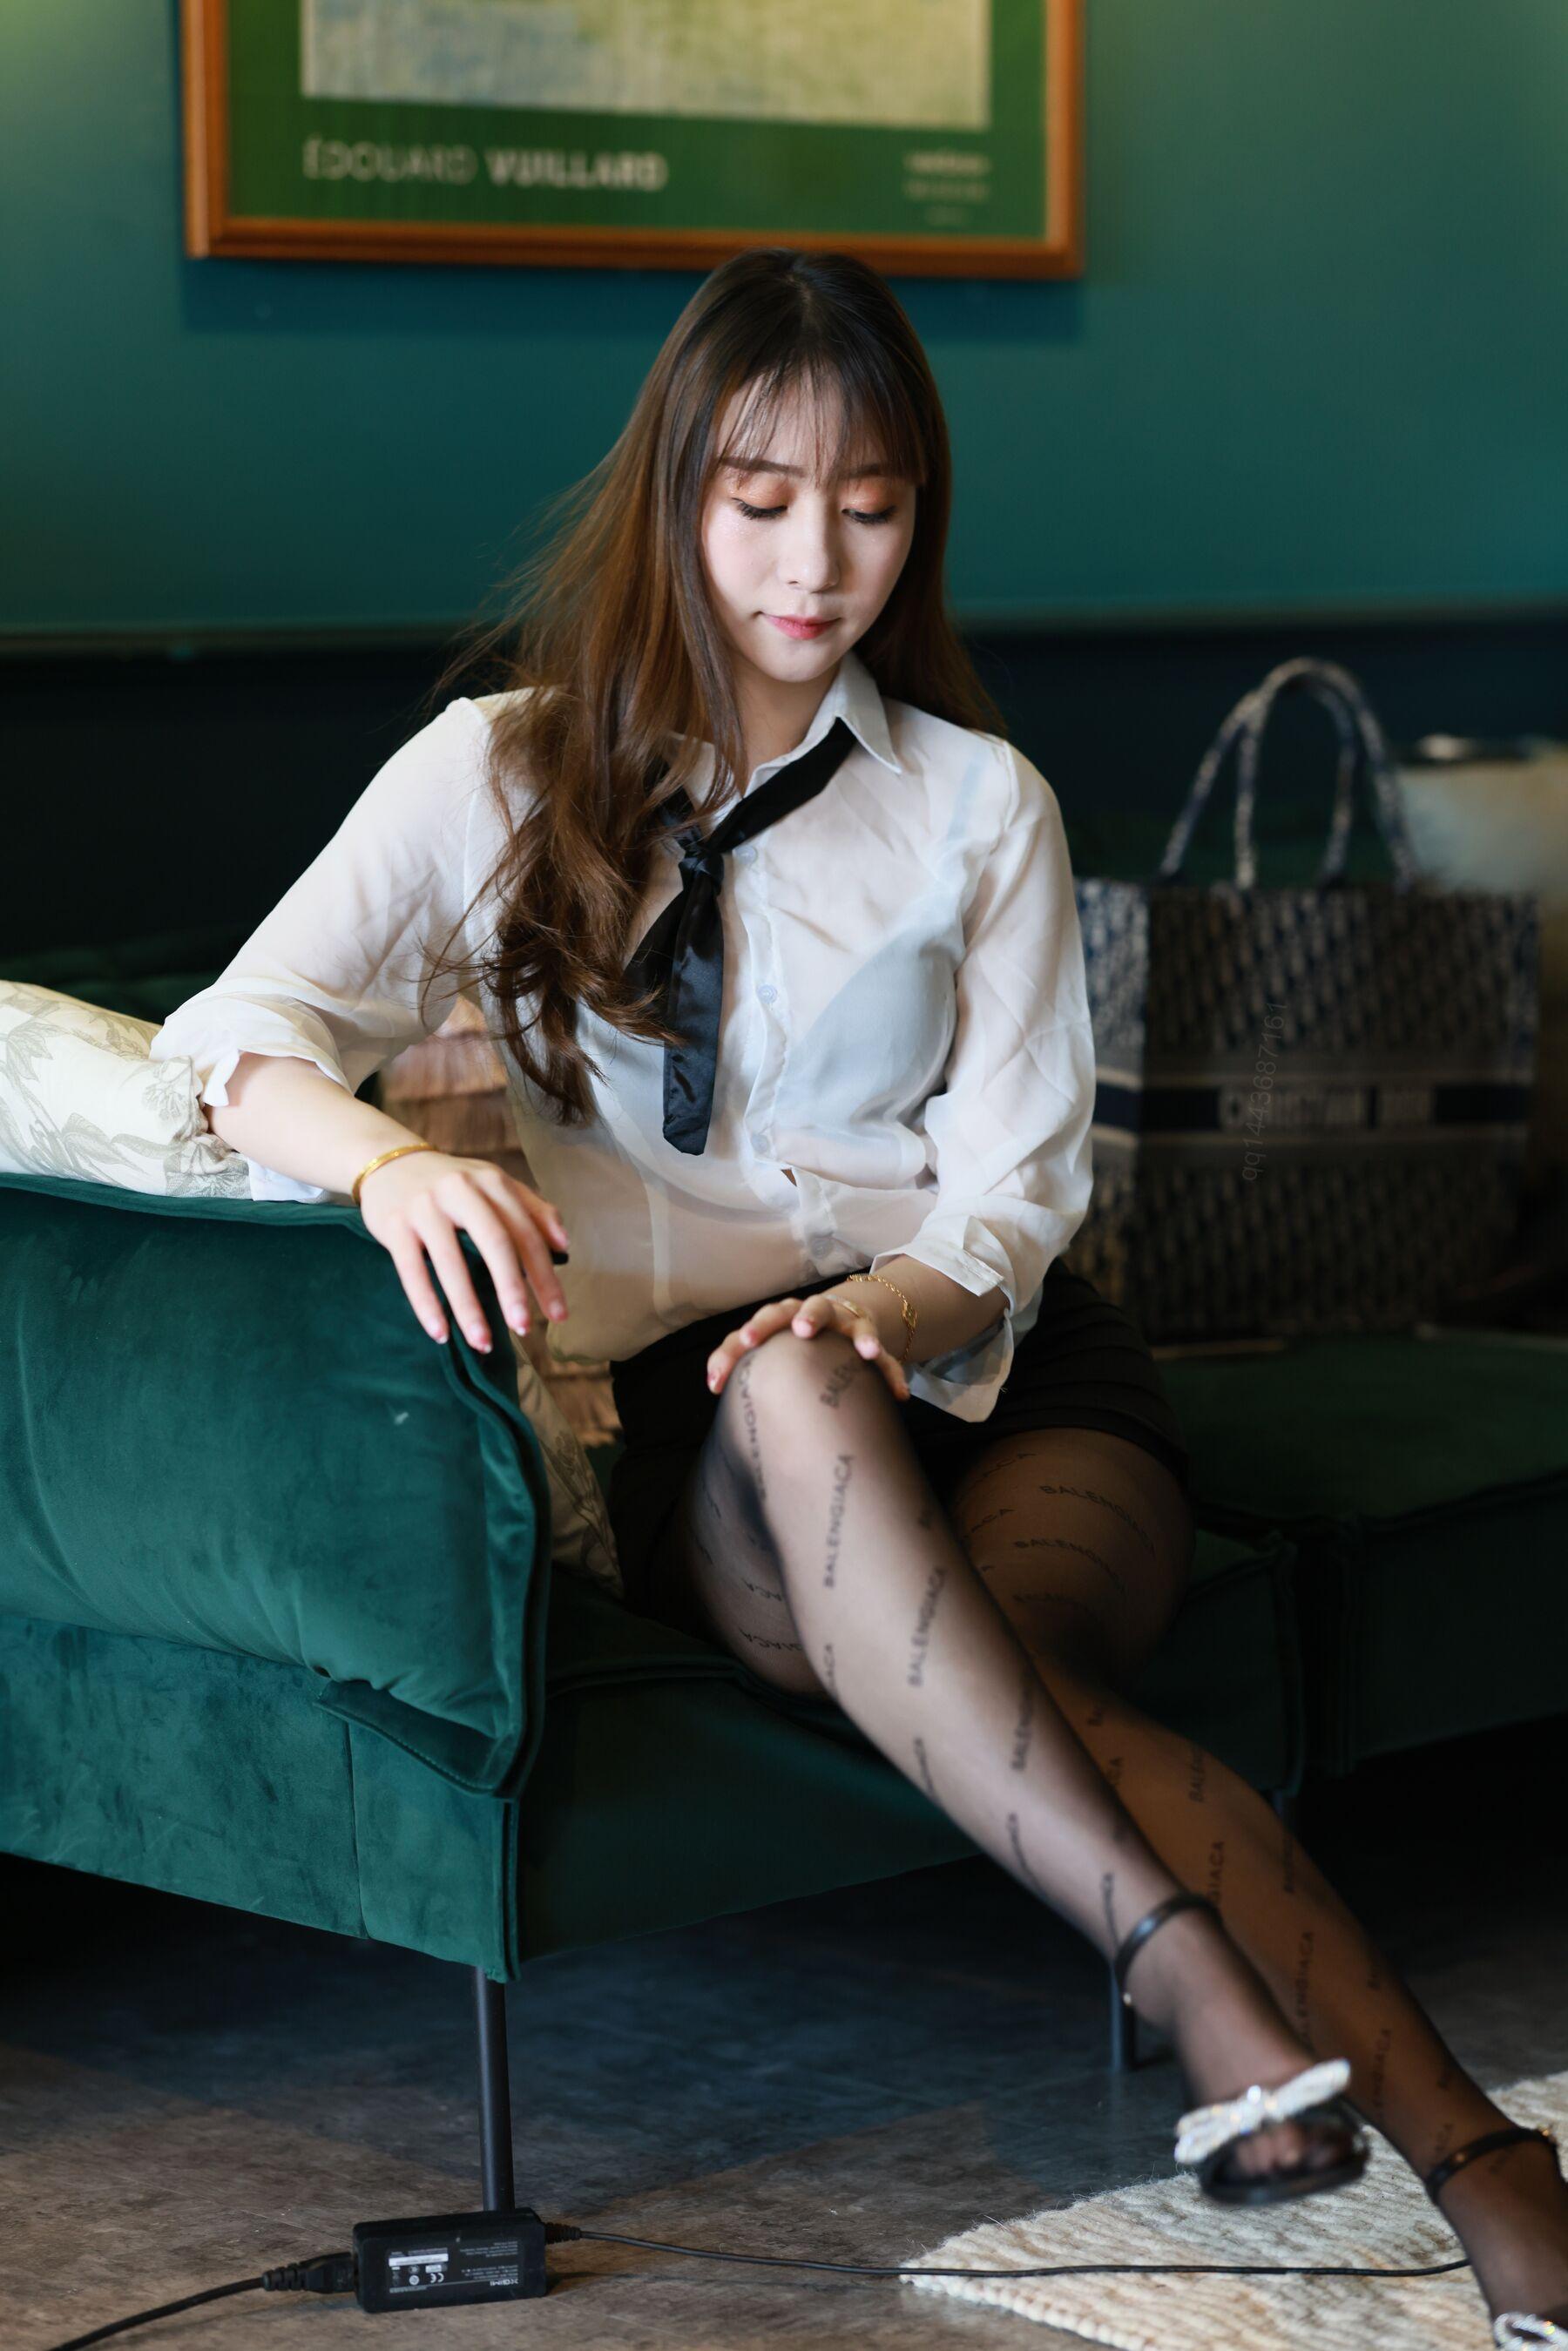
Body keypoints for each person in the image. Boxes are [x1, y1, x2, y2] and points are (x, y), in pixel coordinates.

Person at [150, 248, 1565, 2341]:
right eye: (761, 499)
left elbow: (1019, 1193)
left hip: (1002, 1380)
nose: (816, 561)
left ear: (922, 518)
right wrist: (388, 1159)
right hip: (716, 1449)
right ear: (677, 498)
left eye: (873, 505)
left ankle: (1308, 2078)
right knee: (795, 1398)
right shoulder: (498, 771)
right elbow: (231, 1033)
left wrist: (893, 1311)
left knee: (979, 1600)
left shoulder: (977, 804)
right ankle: (1439, 2141)